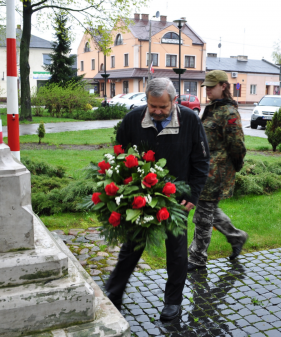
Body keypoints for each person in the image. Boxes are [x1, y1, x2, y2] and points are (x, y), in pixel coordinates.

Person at [104, 78, 210, 321]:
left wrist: (193, 196)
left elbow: (202, 162)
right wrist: (123, 189)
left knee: (176, 251)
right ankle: (114, 293)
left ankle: (173, 302)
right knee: (131, 246)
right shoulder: (132, 120)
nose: (158, 112)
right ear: (147, 101)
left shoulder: (190, 121)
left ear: (174, 101)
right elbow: (119, 156)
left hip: (177, 200)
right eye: (153, 106)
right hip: (141, 197)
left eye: (163, 107)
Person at [187, 70, 248, 271]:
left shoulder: (229, 112)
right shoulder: (213, 108)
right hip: (206, 169)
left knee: (203, 215)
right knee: (207, 208)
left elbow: (237, 146)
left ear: (223, 85)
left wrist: (232, 168)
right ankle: (237, 237)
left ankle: (197, 258)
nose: (208, 91)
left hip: (217, 172)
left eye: (212, 87)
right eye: (207, 87)